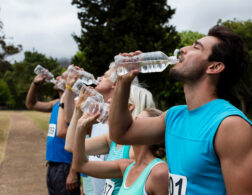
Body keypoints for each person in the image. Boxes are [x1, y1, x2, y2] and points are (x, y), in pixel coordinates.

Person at [108, 25, 252, 194]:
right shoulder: (174, 116)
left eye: (196, 47)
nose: (182, 49)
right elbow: (120, 134)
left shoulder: (230, 125)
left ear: (214, 67)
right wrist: (123, 83)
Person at [67, 84, 155, 195]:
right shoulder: (112, 139)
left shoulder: (135, 149)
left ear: (130, 106)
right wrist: (78, 110)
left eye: (115, 97)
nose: (108, 100)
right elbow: (71, 146)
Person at [72, 108, 168, 195]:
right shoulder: (126, 167)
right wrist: (81, 128)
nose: (132, 123)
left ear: (151, 133)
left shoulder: (159, 172)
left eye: (137, 120)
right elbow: (80, 165)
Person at [26, 69, 81, 195]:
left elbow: (79, 140)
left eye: (61, 77)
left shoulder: (74, 105)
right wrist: (35, 83)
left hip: (66, 166)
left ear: (70, 81)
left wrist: (73, 172)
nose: (56, 78)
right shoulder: (56, 103)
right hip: (53, 165)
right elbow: (31, 104)